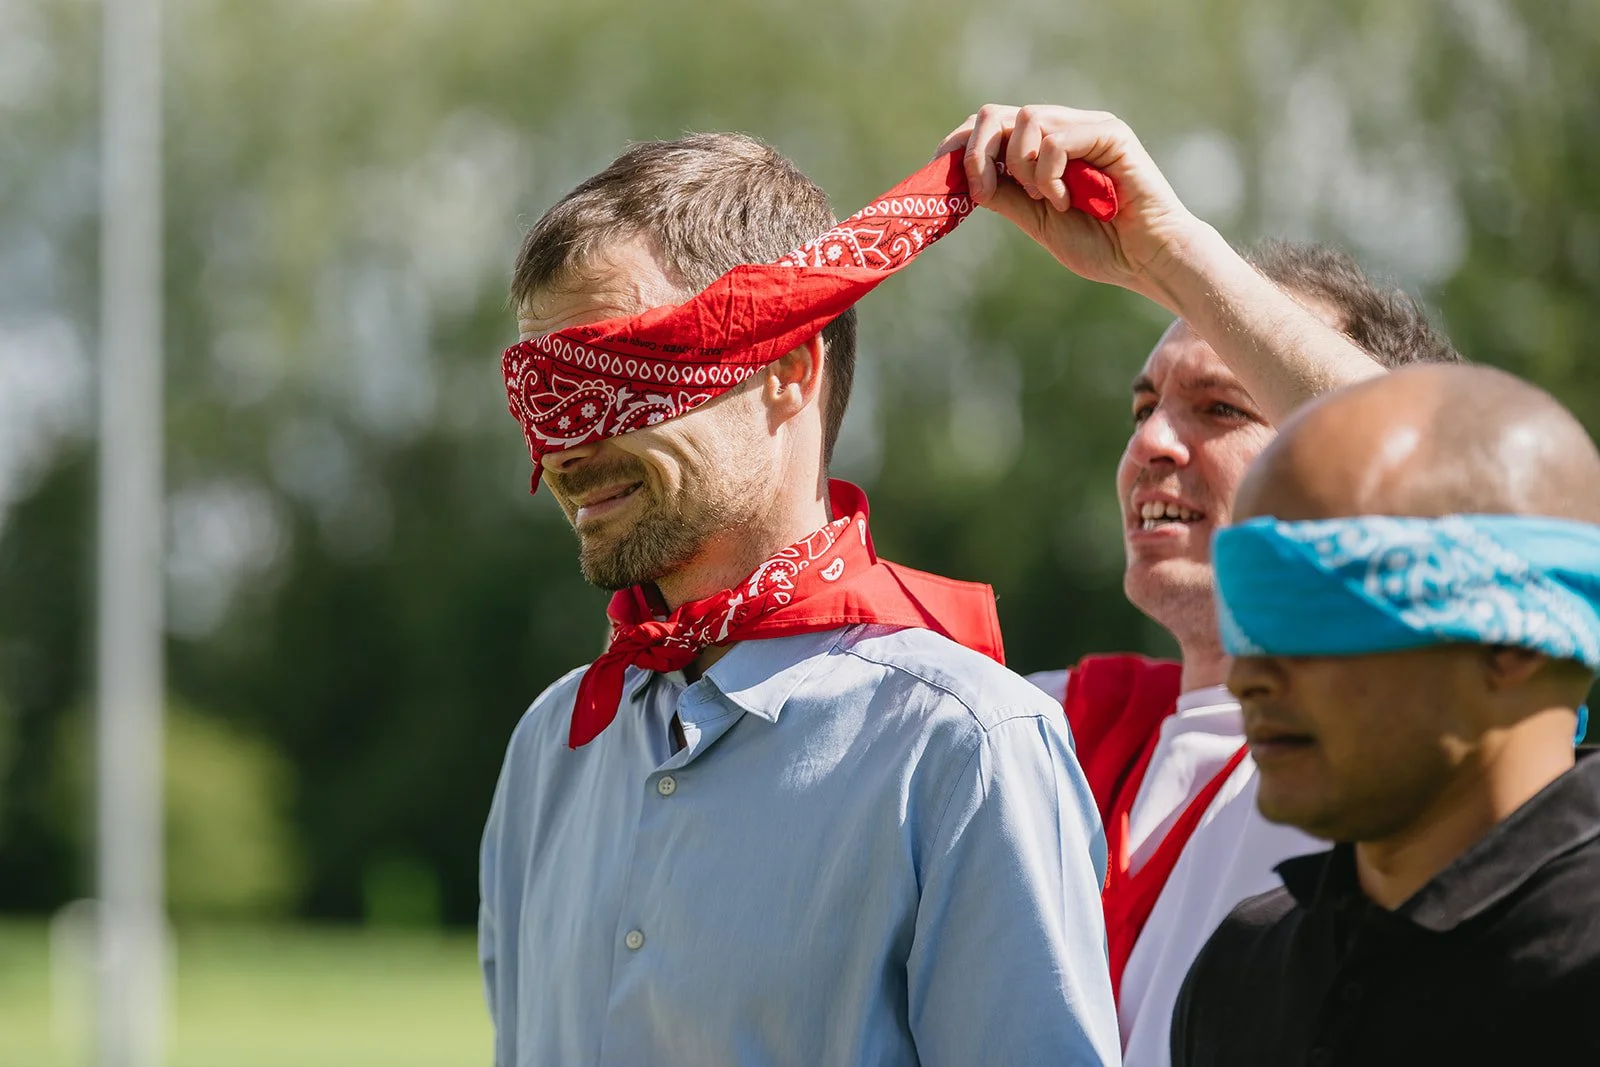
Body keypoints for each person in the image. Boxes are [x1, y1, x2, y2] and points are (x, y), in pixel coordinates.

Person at [479, 133, 1121, 1066]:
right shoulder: (553, 746)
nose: (566, 448)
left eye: (619, 373)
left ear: (787, 371)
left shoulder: (962, 751)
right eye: (542, 397)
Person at [933, 105, 1462, 1065]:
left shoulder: (1418, 744)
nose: (1151, 445)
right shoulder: (1045, 733)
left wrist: (1171, 250)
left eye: (1220, 406)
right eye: (1143, 408)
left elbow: (1438, 481)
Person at [1170, 363, 1600, 1066]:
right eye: (1247, 618)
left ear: (1510, 641)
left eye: (1308, 612)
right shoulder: (1240, 975)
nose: (1247, 677)